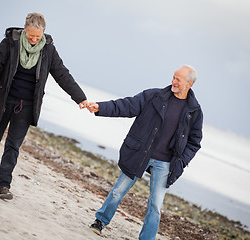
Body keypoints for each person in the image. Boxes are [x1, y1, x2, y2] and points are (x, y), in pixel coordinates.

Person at [0, 12, 88, 200]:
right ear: (24, 29)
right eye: (31, 35)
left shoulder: (48, 49)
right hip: (3, 100)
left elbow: (62, 75)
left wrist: (80, 98)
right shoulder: (10, 42)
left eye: (38, 36)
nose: (34, 40)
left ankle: (2, 186)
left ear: (43, 33)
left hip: (26, 106)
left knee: (13, 147)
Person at [87, 65, 203, 239]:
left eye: (178, 79)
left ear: (190, 84)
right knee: (118, 190)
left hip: (166, 163)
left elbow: (194, 142)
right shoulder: (154, 96)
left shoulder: (194, 112)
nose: (173, 82)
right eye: (173, 77)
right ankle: (101, 221)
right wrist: (100, 107)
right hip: (140, 153)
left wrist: (182, 161)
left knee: (155, 205)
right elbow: (127, 106)